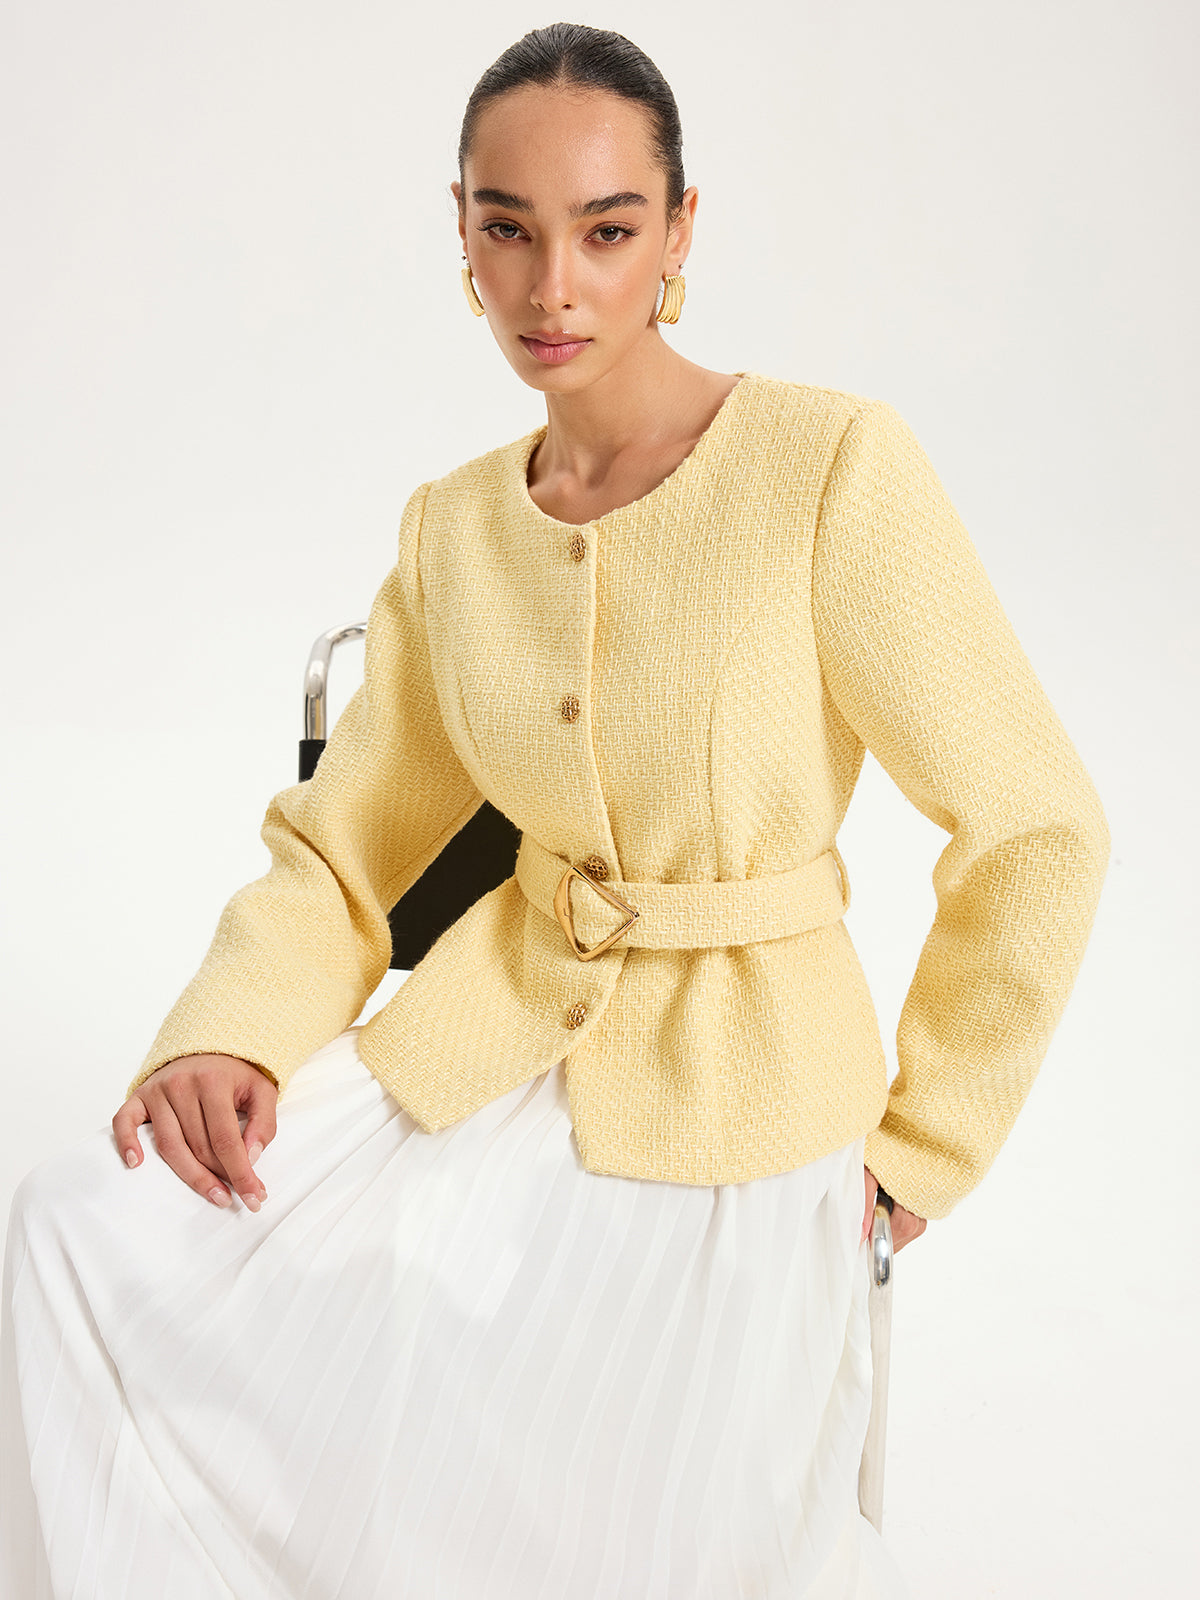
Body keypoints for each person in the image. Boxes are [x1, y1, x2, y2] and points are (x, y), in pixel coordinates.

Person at [0, 22, 1110, 1599]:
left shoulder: (830, 468)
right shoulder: (457, 528)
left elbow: (1038, 825)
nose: (552, 289)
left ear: (681, 231)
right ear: (461, 231)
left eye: (606, 230)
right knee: (80, 1232)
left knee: (610, 1515)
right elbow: (346, 844)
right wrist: (225, 1033)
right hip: (485, 1060)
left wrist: (927, 1144)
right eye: (507, 228)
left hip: (748, 1113)